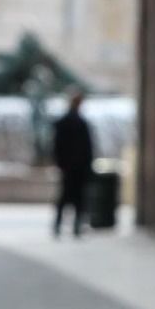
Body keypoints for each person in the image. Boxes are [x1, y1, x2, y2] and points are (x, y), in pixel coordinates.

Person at [52, 89, 94, 238]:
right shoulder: (79, 123)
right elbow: (88, 148)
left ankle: (60, 225)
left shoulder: (64, 122)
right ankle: (72, 226)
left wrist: (60, 163)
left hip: (69, 167)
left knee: (66, 197)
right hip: (76, 167)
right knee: (76, 198)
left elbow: (57, 146)